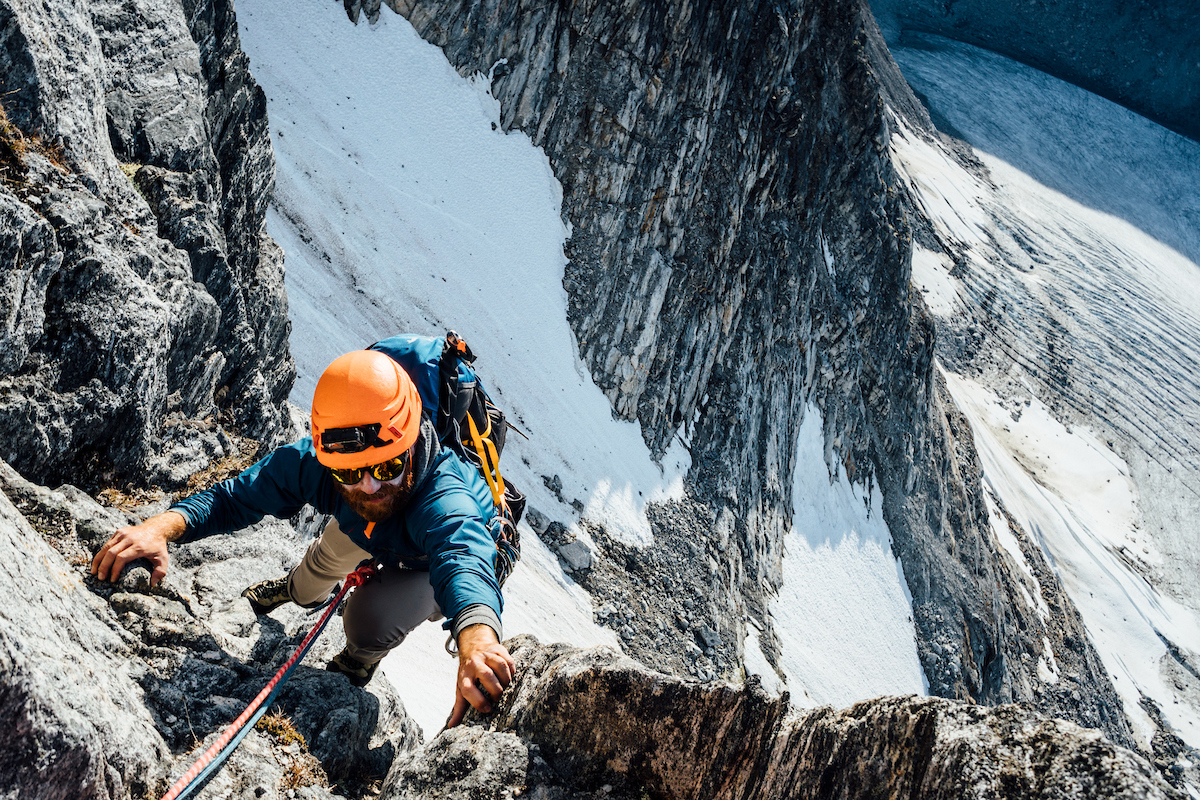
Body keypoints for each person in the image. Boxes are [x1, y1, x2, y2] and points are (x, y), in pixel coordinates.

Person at [90, 348, 515, 728]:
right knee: (316, 571)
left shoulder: (444, 494)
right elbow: (239, 495)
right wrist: (160, 526)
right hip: (370, 527)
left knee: (368, 623)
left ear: (411, 440)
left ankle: (359, 661)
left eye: (385, 467)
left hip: (425, 559)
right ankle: (296, 590)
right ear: (328, 460)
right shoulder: (321, 465)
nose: (368, 487)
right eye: (350, 473)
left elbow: (461, 554)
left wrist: (476, 636)